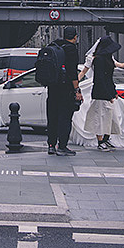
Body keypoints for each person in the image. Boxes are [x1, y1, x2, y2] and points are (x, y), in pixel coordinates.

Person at [77, 37, 124, 151]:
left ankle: (105, 139)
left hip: (107, 89)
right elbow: (99, 77)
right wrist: (76, 84)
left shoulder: (107, 58)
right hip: (101, 91)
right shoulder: (98, 59)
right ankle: (101, 141)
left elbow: (117, 66)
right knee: (100, 117)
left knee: (110, 117)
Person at [47, 27, 82, 156]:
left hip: (52, 88)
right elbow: (73, 72)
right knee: (65, 118)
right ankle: (62, 146)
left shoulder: (54, 46)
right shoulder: (71, 49)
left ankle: (51, 145)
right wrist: (77, 90)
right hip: (65, 89)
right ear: (75, 37)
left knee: (52, 117)